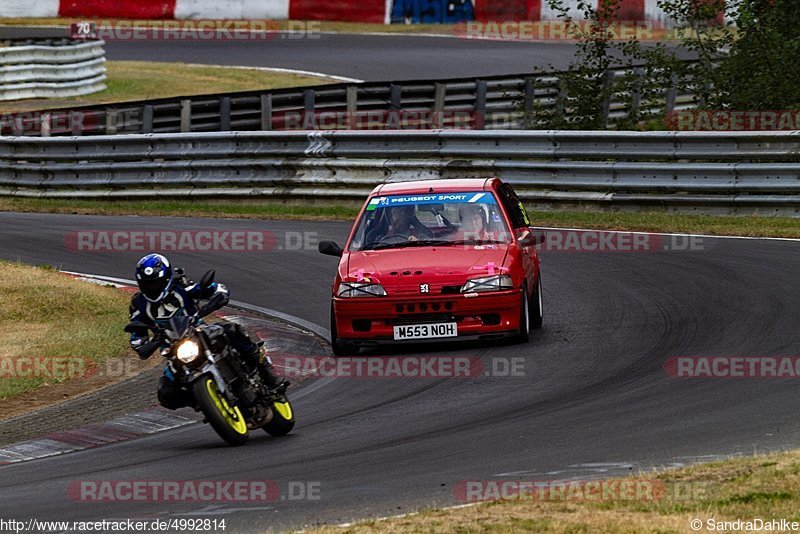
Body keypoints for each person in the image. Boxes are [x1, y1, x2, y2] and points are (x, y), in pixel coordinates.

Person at [128, 253, 285, 410]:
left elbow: (219, 290)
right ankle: (206, 403)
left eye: (156, 283)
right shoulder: (138, 304)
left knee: (232, 330)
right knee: (165, 393)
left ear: (167, 278)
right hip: (174, 352)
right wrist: (148, 342)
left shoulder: (182, 287)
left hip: (199, 331)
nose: (152, 288)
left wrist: (208, 305)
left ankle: (266, 371)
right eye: (147, 284)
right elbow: (137, 337)